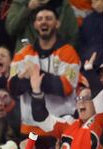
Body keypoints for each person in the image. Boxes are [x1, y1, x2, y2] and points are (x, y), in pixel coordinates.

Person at [8, 6, 81, 137]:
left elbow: (64, 87)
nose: (43, 22)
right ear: (35, 25)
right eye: (40, 19)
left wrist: (32, 75)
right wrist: (21, 78)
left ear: (57, 23)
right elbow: (12, 87)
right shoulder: (23, 54)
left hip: (60, 127)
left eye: (48, 18)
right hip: (30, 128)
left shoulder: (68, 52)